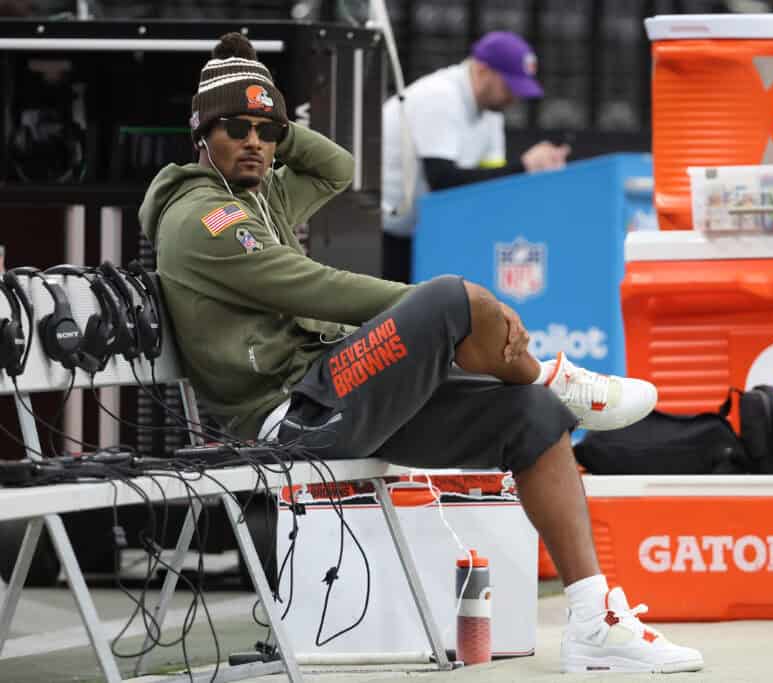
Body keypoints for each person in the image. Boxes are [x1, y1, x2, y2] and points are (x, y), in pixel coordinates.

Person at [139, 33, 703, 674]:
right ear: (200, 135)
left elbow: (338, 170)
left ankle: (594, 621)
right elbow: (314, 288)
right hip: (293, 417)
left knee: (534, 417)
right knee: (448, 299)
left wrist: (277, 126)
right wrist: (433, 312)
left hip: (334, 394)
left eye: (265, 131)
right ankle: (556, 372)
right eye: (234, 128)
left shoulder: (258, 191)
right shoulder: (202, 218)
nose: (254, 143)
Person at [380, 31, 571, 283]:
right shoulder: (440, 96)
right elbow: (442, 180)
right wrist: (525, 167)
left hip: (419, 234)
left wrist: (537, 176)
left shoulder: (492, 113)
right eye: (509, 86)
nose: (515, 98)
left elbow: (490, 188)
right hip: (380, 234)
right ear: (482, 70)